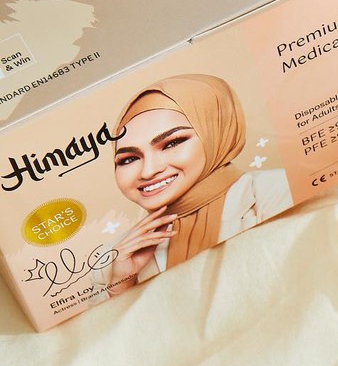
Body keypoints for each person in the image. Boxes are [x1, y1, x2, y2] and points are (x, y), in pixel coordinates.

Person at [107, 73, 292, 290]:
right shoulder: (114, 258)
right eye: (129, 159)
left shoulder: (281, 191)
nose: (148, 171)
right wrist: (121, 286)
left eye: (172, 143)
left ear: (216, 133)